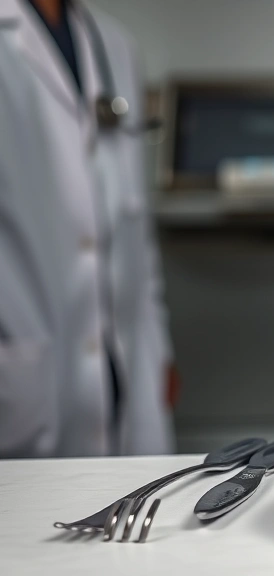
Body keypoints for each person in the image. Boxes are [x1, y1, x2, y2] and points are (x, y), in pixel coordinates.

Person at [0, 0, 176, 457]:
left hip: (120, 366)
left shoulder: (113, 44)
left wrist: (157, 348)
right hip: (20, 364)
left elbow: (133, 222)